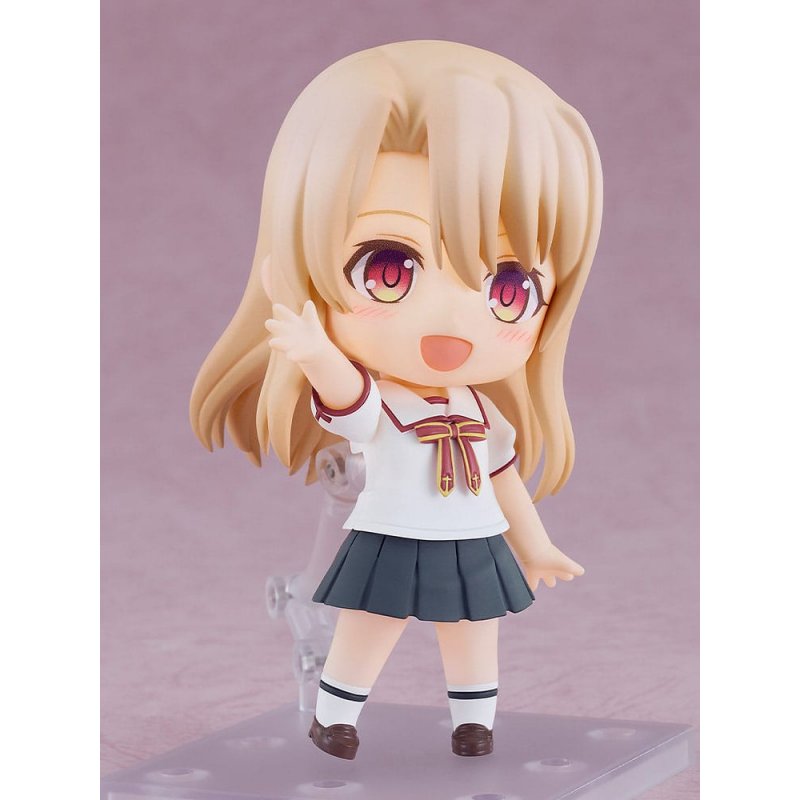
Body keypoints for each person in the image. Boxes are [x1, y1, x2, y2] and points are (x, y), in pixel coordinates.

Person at [190, 40, 602, 760]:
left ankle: (474, 721)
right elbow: (350, 400)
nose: (453, 321)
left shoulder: (481, 412)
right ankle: (336, 716)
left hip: (473, 534)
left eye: (509, 288)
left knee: (474, 630)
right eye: (390, 270)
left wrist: (534, 544)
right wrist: (315, 352)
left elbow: (502, 475)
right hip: (393, 532)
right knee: (369, 624)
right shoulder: (389, 405)